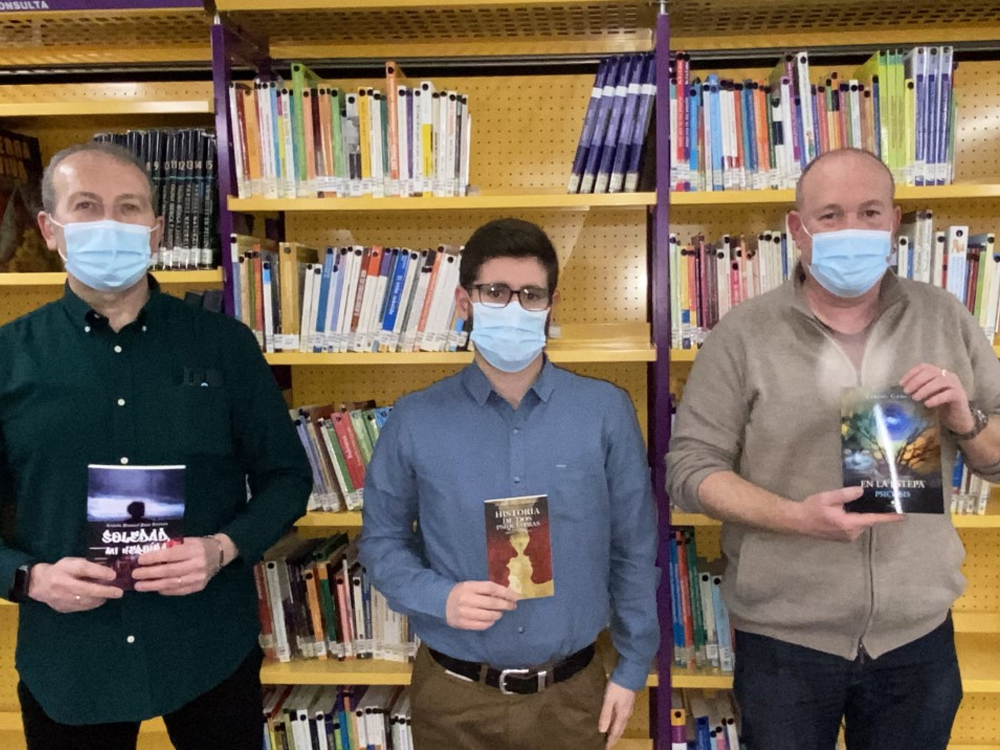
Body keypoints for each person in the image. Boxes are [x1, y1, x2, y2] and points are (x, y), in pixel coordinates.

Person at [666, 147, 1000, 750]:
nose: (853, 229)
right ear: (798, 228)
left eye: (870, 212)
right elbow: (690, 470)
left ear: (894, 222)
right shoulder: (744, 333)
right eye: (831, 215)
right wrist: (795, 517)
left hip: (917, 637)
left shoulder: (944, 317)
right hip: (785, 641)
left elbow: (995, 460)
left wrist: (964, 417)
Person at [0, 141, 313, 750]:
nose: (110, 223)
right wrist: (27, 578)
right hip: (71, 660)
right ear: (49, 229)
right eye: (86, 206)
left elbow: (287, 479)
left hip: (205, 646)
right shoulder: (8, 357)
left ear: (156, 230)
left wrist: (222, 549)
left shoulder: (224, 346)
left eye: (129, 207)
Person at [359, 217, 659, 750]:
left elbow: (633, 547)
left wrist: (632, 666)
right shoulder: (414, 419)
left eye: (531, 295)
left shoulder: (605, 412)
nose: (514, 308)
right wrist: (439, 597)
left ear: (551, 305)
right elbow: (381, 543)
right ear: (464, 302)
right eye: (495, 292)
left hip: (572, 698)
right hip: (454, 700)